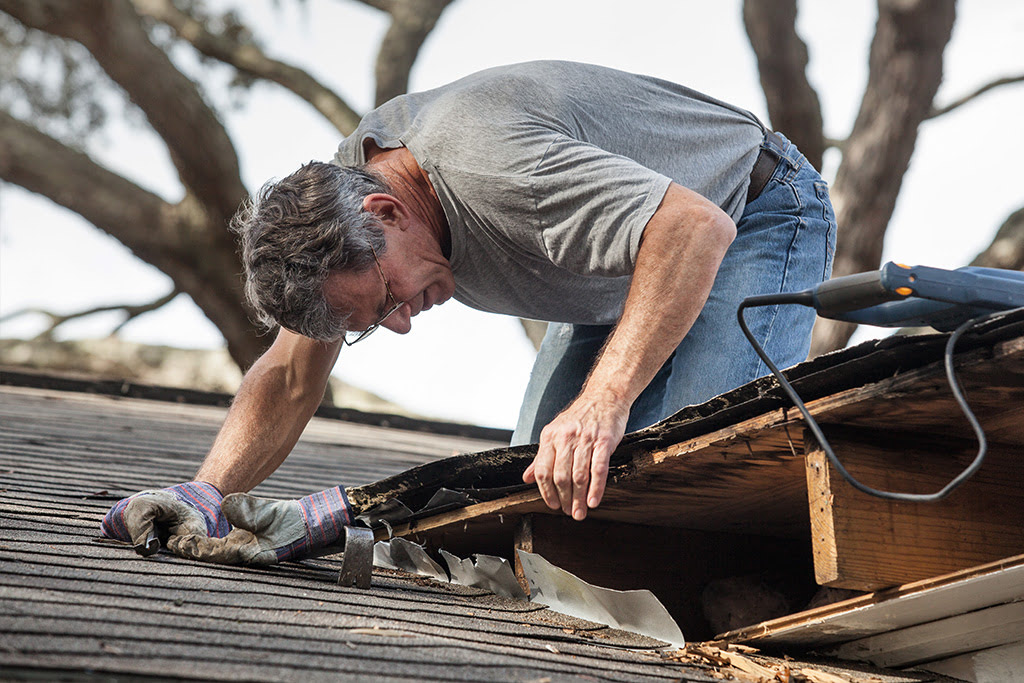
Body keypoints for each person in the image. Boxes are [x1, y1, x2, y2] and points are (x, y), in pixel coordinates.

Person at [101, 61, 836, 564]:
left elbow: (691, 229)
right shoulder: (337, 209)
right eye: (372, 322)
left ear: (386, 211)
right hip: (615, 270)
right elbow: (292, 376)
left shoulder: (493, 168)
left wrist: (603, 402)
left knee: (698, 486)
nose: (401, 322)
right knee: (540, 508)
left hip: (752, 211)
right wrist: (206, 493)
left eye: (386, 300)